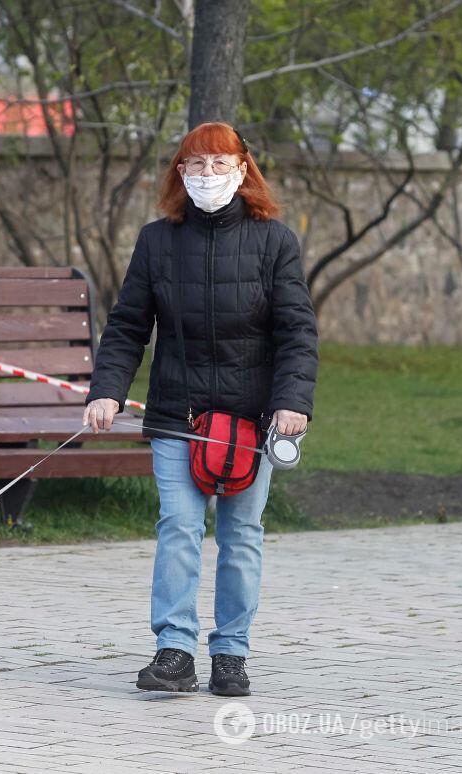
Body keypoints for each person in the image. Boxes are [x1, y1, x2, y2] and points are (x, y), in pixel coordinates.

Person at [82, 121, 318, 696]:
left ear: (243, 171)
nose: (207, 176)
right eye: (195, 166)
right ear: (179, 175)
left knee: (241, 536)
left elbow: (297, 332)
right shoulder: (157, 241)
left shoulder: (275, 241)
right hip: (176, 417)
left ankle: (231, 655)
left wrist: (291, 401)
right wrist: (107, 388)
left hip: (251, 421)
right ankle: (174, 650)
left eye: (219, 165)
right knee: (179, 529)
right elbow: (127, 326)